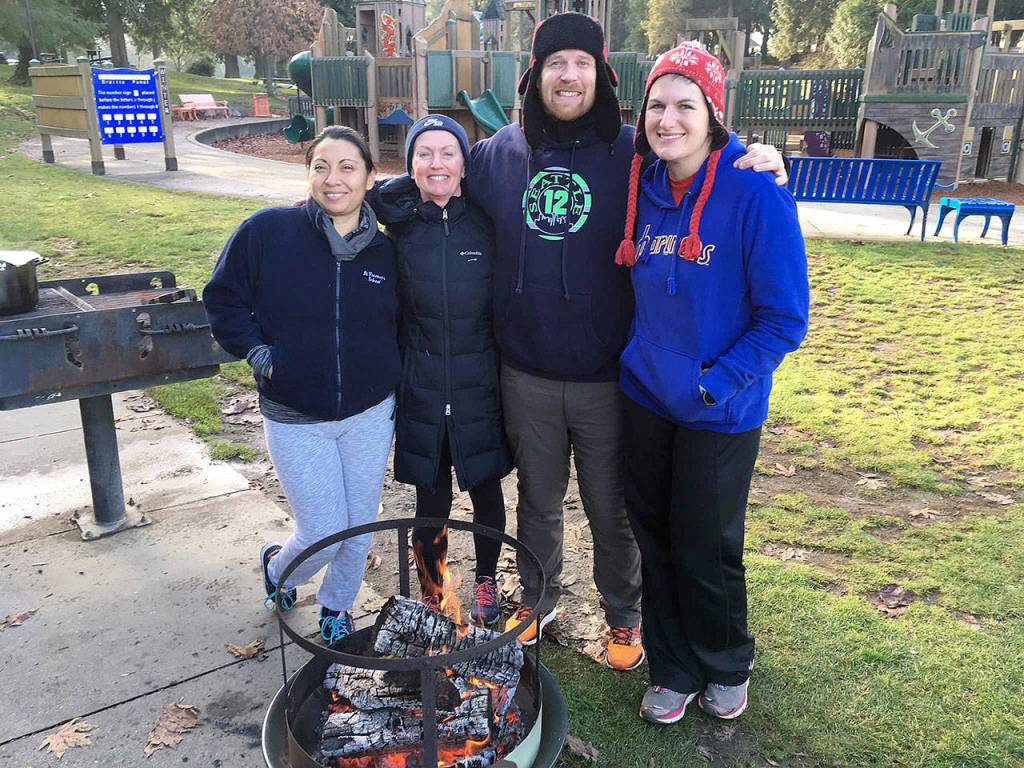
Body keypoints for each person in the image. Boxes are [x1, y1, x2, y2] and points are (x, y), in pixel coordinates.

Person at [467, 12, 788, 670]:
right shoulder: (496, 155)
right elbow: (438, 188)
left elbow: (700, 167)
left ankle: (625, 618)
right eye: (556, 61)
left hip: (611, 374)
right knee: (538, 500)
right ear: (535, 75)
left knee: (613, 510)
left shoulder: (633, 155)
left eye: (582, 62)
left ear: (601, 75)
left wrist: (762, 159)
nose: (568, 74)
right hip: (525, 371)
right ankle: (540, 599)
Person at [612, 43, 809, 722]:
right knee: (656, 540)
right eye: (657, 106)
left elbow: (784, 319)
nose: (668, 120)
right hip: (645, 400)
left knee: (706, 546)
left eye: (685, 105)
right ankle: (673, 666)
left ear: (713, 114)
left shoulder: (756, 191)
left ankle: (726, 660)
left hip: (718, 409)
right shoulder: (641, 182)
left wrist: (713, 384)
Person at [203, 126, 401, 645]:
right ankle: (280, 568)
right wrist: (260, 355)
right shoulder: (270, 231)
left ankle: (337, 606)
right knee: (324, 530)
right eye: (321, 167)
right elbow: (222, 298)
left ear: (369, 177)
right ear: (308, 172)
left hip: (368, 415)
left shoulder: (383, 253)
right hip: (296, 416)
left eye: (347, 168)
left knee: (359, 528)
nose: (333, 179)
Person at [370, 115, 512, 626]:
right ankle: (434, 589)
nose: (437, 163)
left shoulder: (487, 223)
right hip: (422, 386)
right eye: (424, 153)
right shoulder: (397, 228)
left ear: (464, 164)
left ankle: (487, 580)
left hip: (480, 385)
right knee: (430, 500)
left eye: (447, 152)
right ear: (410, 166)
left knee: (486, 490)